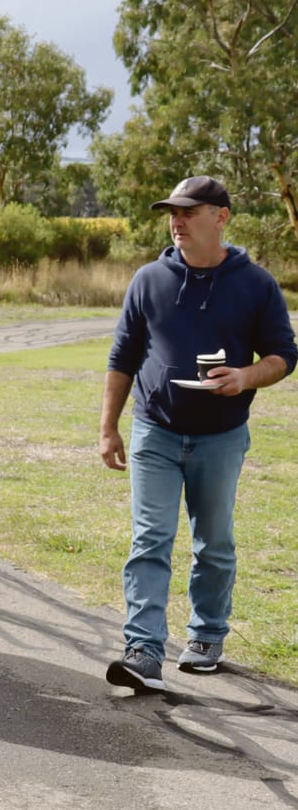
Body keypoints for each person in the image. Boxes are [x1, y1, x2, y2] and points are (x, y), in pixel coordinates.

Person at [99, 175, 295, 691]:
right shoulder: (149, 279)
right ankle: (142, 648)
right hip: (155, 431)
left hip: (222, 436)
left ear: (221, 217)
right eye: (173, 213)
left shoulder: (256, 284)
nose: (177, 221)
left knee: (214, 543)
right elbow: (122, 358)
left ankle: (207, 634)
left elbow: (284, 355)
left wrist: (246, 376)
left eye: (189, 212)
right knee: (150, 539)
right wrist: (108, 428)